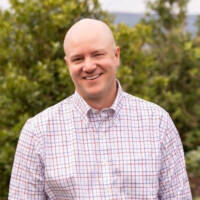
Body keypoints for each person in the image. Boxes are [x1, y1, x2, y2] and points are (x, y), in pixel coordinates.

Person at [9, 18, 192, 199]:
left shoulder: (157, 122)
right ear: (68, 64)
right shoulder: (37, 132)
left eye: (97, 54)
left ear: (116, 55)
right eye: (78, 59)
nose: (88, 66)